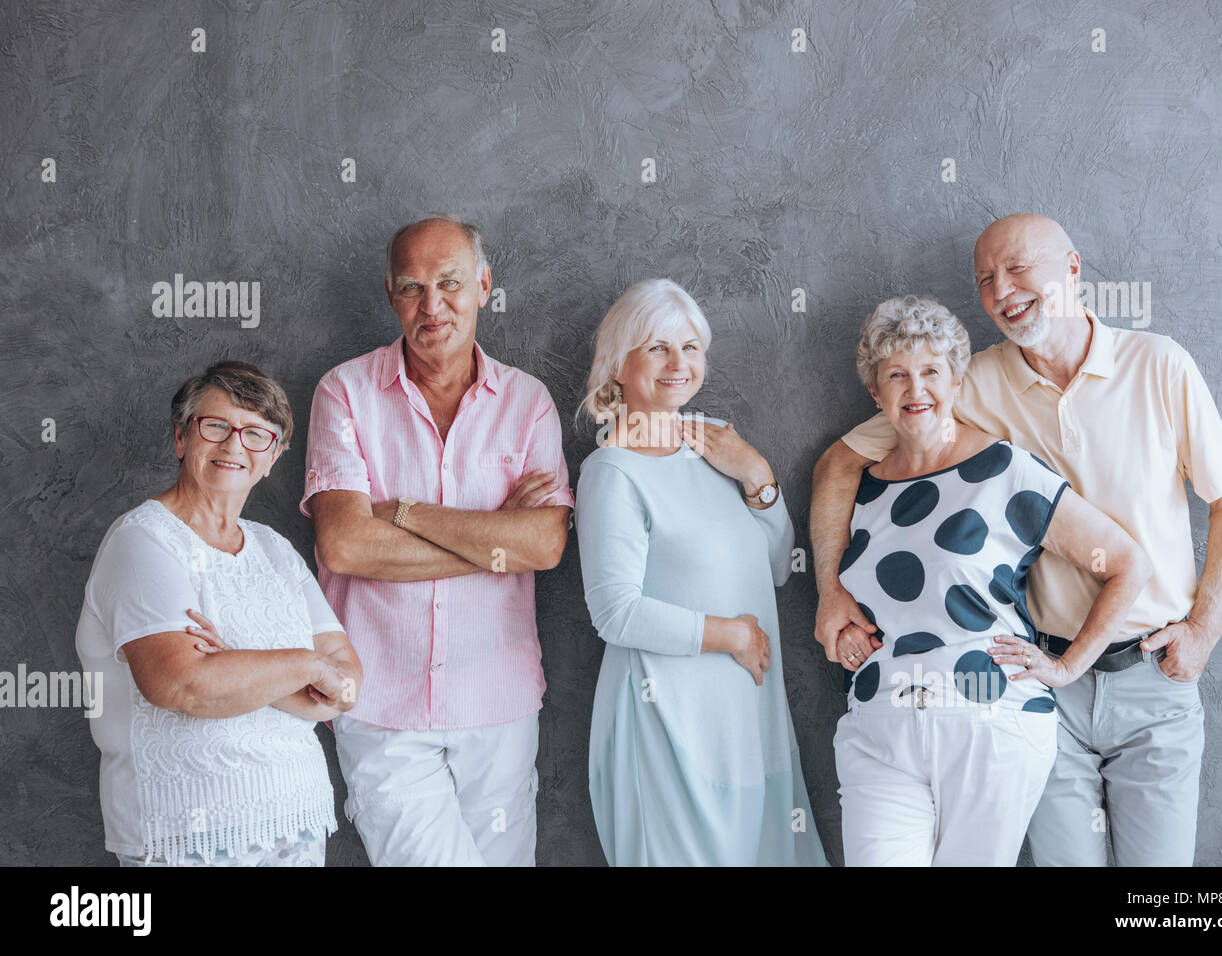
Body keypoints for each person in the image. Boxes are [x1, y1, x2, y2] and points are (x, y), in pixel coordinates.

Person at [812, 215, 1222, 866]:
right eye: (986, 279)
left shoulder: (1158, 365)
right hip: (1042, 678)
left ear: (1072, 269)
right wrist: (829, 590)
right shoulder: (969, 383)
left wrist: (1206, 628)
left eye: (1018, 268)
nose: (1002, 290)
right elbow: (839, 463)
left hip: (1153, 673)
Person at [831, 295, 1151, 866]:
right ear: (875, 394)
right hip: (880, 726)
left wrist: (1067, 666)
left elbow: (1127, 563)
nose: (916, 389)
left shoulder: (1005, 470)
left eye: (932, 371)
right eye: (896, 376)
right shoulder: (866, 490)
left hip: (987, 717)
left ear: (957, 381)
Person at [302, 213, 572, 866]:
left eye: (449, 283)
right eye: (412, 288)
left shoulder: (528, 402)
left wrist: (406, 514)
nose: (432, 305)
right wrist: (489, 539)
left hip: (497, 703)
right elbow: (346, 547)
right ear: (391, 296)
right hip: (381, 703)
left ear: (483, 285)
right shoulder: (344, 393)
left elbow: (542, 546)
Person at [574, 278, 827, 866]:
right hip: (665, 720)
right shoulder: (613, 471)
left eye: (690, 348)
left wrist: (757, 473)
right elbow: (615, 611)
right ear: (619, 363)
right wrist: (731, 634)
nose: (678, 363)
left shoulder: (714, 446)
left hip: (744, 720)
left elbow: (777, 567)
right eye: (658, 348)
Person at [75, 361, 362, 866]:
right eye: (216, 426)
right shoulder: (143, 540)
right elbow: (181, 685)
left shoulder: (273, 550)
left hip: (293, 821)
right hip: (188, 832)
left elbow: (346, 685)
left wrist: (236, 661)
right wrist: (305, 667)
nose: (234, 446)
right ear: (182, 438)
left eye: (256, 434)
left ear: (272, 457)